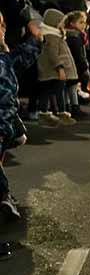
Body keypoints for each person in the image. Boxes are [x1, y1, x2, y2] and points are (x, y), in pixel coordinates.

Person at [0, 13, 41, 223]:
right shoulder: (5, 61)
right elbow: (28, 52)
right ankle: (4, 197)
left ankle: (5, 196)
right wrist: (34, 35)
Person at [37, 8, 76, 126]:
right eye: (60, 22)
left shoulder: (51, 34)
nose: (62, 24)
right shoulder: (52, 36)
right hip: (52, 70)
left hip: (48, 70)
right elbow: (53, 54)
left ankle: (44, 112)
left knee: (47, 90)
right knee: (58, 90)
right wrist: (60, 68)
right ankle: (61, 111)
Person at [63, 11, 90, 119]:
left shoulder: (72, 34)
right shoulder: (75, 36)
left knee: (69, 88)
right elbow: (78, 54)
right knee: (72, 87)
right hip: (73, 66)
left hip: (70, 66)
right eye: (81, 22)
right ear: (72, 23)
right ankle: (73, 108)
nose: (84, 25)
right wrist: (83, 66)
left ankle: (68, 108)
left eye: (84, 22)